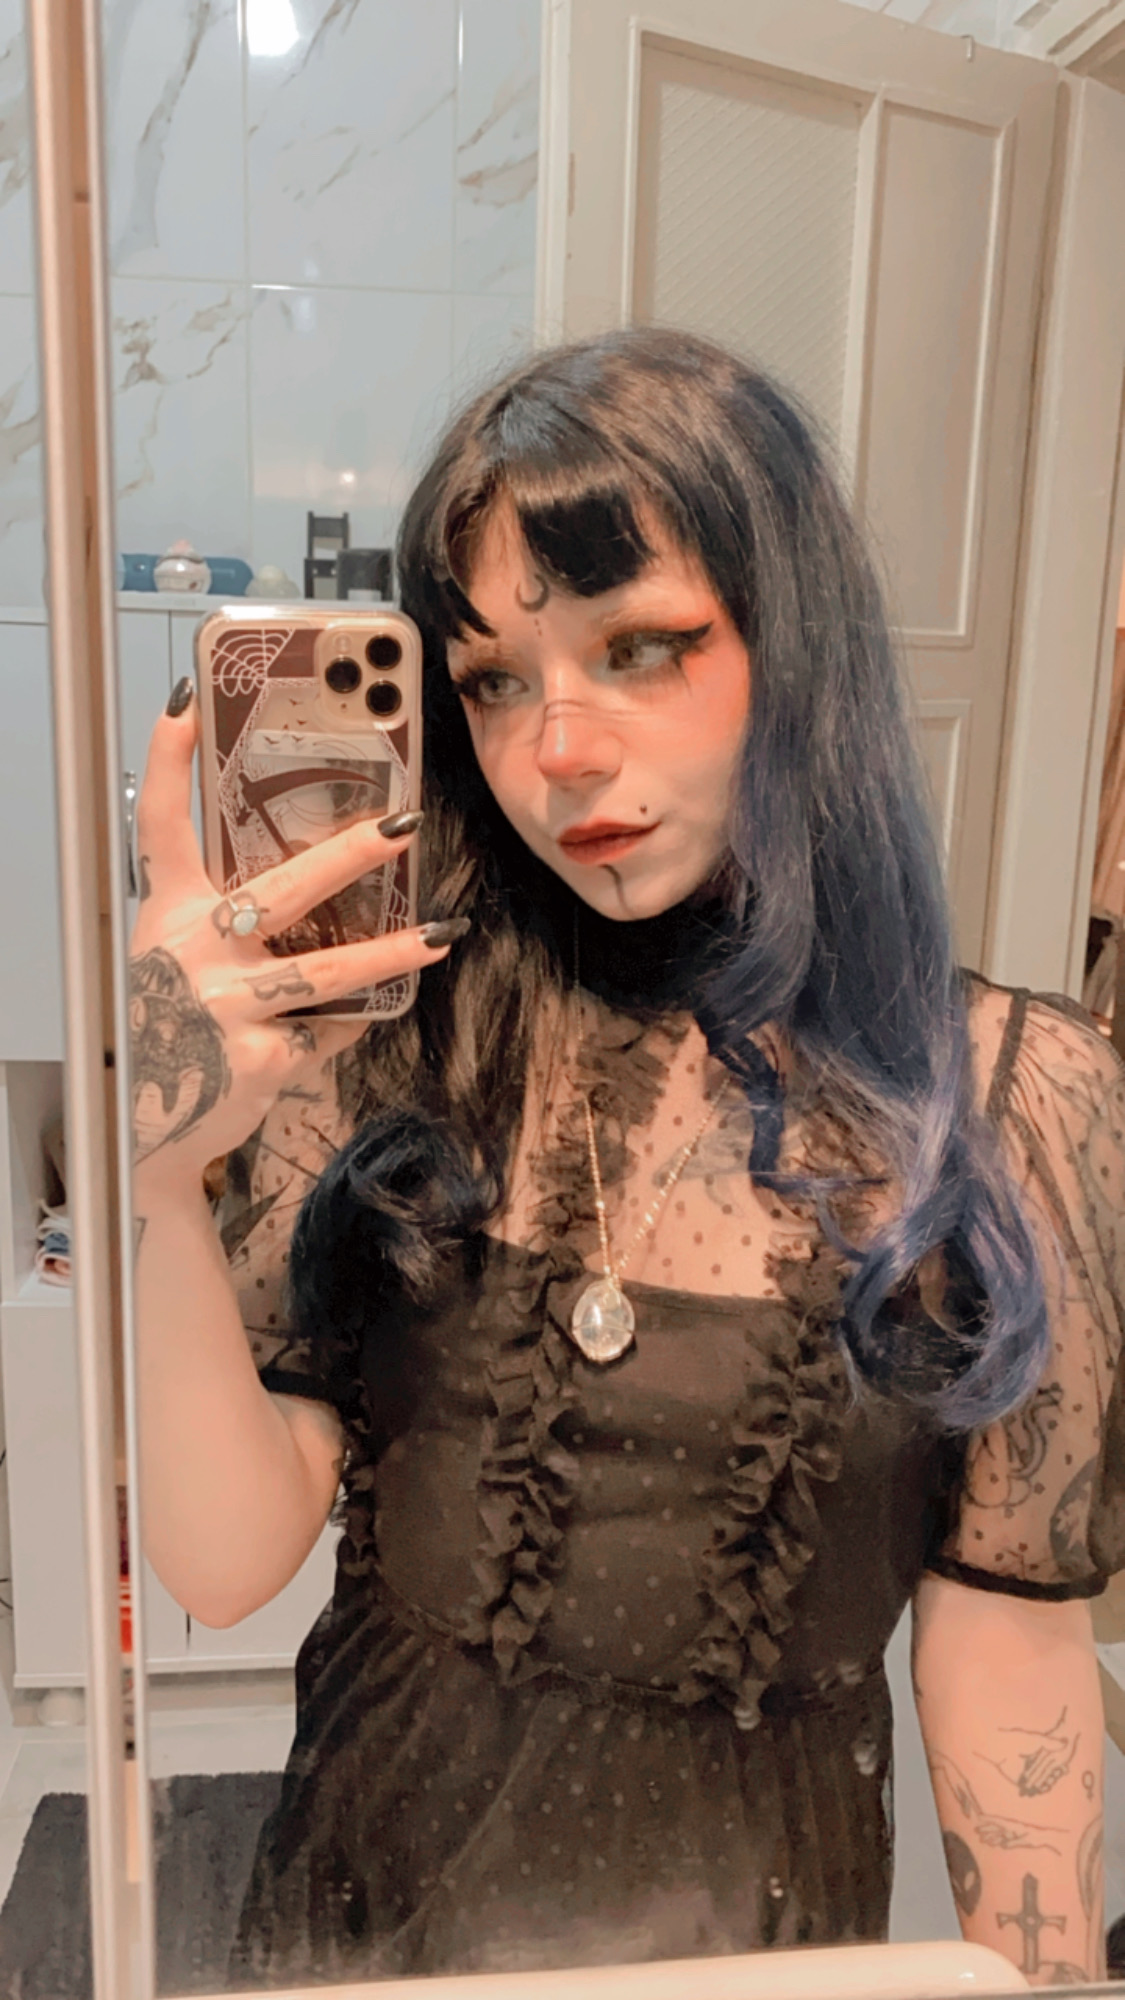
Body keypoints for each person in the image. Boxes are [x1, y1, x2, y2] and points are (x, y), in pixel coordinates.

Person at [129, 328, 1125, 1989]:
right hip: (366, 1923)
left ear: (795, 645)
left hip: (749, 1948)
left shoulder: (1013, 1102)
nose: (558, 750)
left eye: (641, 648)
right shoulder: (395, 1038)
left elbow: (1003, 1650)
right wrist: (163, 1177)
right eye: (493, 680)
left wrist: (1051, 1974)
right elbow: (223, 1567)